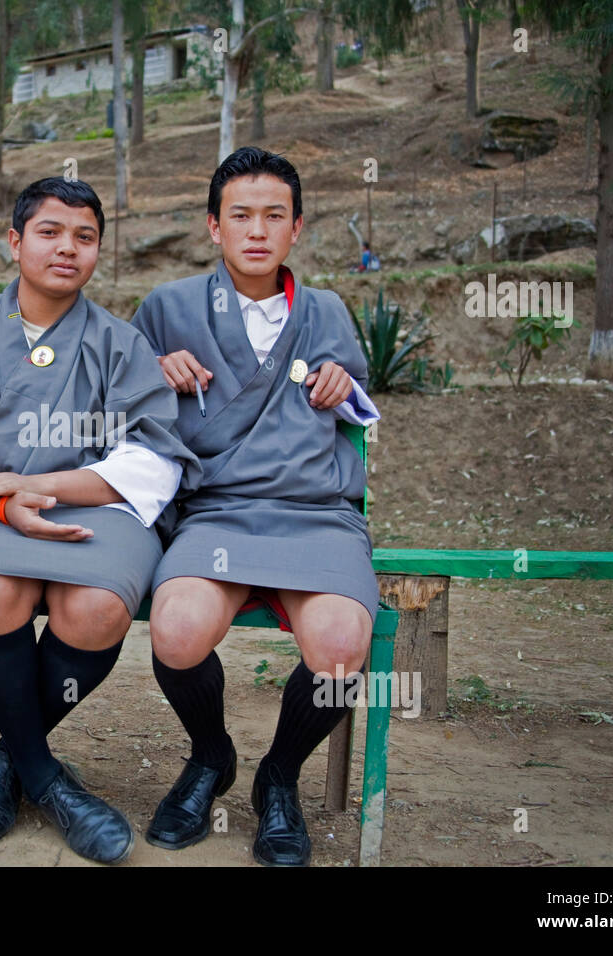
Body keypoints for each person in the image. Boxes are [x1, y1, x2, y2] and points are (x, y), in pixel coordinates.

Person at [0, 177, 199, 865]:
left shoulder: (120, 344)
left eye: (85, 237)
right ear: (15, 241)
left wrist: (39, 484)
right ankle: (47, 780)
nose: (68, 248)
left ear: (97, 251)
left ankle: (9, 764)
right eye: (50, 232)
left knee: (95, 608)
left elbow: (152, 460)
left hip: (98, 505)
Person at [130, 147, 381, 867]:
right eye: (240, 215)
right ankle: (211, 757)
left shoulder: (326, 310)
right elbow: (119, 406)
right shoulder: (168, 307)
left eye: (275, 215)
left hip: (316, 513)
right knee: (176, 633)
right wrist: (154, 373)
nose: (257, 230)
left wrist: (341, 380)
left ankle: (280, 774)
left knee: (338, 651)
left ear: (296, 228)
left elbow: (362, 405)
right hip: (218, 513)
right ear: (214, 226)